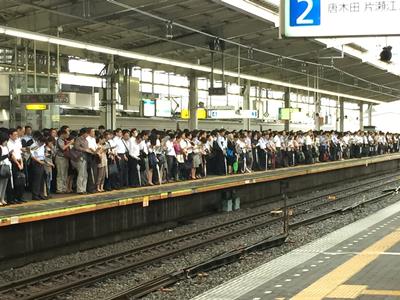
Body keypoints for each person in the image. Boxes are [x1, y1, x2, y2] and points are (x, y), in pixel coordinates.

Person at [6, 128, 25, 204]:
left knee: (21, 180)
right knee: (14, 180)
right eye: (15, 135)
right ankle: (13, 198)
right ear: (10, 135)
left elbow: (19, 153)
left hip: (20, 161)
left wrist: (22, 163)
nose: (16, 136)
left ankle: (20, 197)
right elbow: (12, 155)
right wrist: (17, 163)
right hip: (14, 162)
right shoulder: (8, 143)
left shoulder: (18, 141)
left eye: (17, 134)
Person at [55, 128, 74, 193]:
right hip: (60, 158)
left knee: (65, 174)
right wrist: (70, 143)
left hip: (66, 158)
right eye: (67, 134)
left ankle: (64, 188)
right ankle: (59, 189)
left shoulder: (64, 140)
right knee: (60, 173)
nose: (68, 136)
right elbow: (63, 148)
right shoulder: (59, 140)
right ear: (63, 134)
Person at [30, 134, 47, 200]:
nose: (42, 144)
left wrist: (46, 161)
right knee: (37, 179)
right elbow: (32, 156)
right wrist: (39, 162)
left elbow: (42, 154)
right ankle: (35, 195)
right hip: (36, 163)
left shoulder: (42, 145)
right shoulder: (35, 145)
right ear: (39, 141)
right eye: (42, 142)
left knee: (42, 179)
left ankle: (40, 193)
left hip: (42, 162)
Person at [0, 131, 11, 205]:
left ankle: (2, 198)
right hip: (1, 166)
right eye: (5, 140)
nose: (6, 142)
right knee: (0, 184)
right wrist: (7, 155)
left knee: (5, 184)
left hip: (7, 166)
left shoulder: (6, 147)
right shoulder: (0, 148)